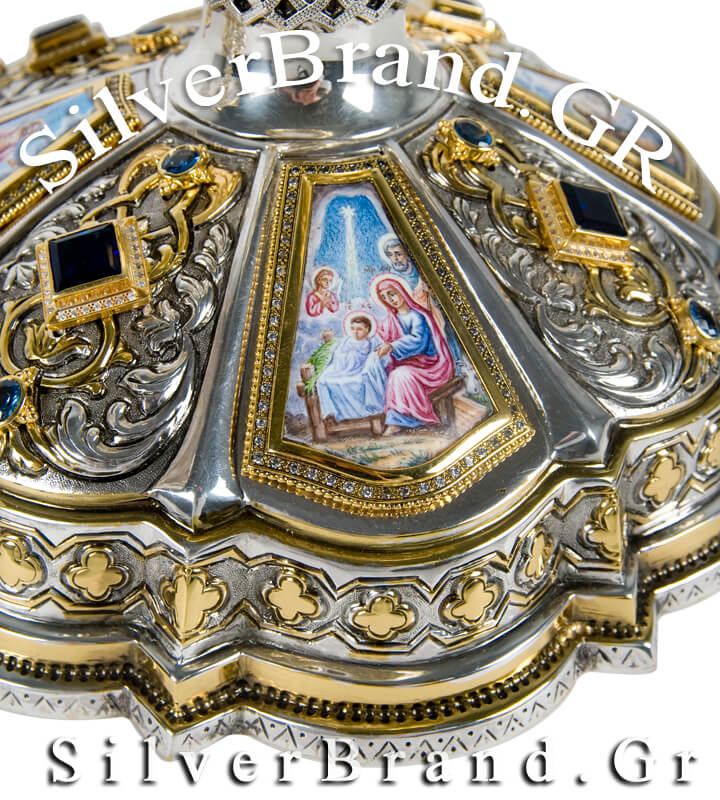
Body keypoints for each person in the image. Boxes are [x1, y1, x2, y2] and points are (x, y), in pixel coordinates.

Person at [372, 275, 455, 434]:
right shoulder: (390, 320)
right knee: (378, 374)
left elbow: (419, 341)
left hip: (428, 365)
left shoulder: (417, 316)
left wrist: (392, 346)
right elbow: (380, 338)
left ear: (401, 291)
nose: (390, 299)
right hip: (405, 364)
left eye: (392, 293)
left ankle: (404, 420)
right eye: (384, 297)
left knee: (399, 375)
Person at [315, 312, 387, 422]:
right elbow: (337, 357)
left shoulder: (372, 343)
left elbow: (379, 360)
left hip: (360, 371)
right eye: (353, 329)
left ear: (367, 330)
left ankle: (361, 413)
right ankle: (330, 412)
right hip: (341, 371)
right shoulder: (345, 341)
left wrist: (369, 357)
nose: (355, 332)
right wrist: (348, 356)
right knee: (322, 381)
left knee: (357, 383)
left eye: (359, 329)